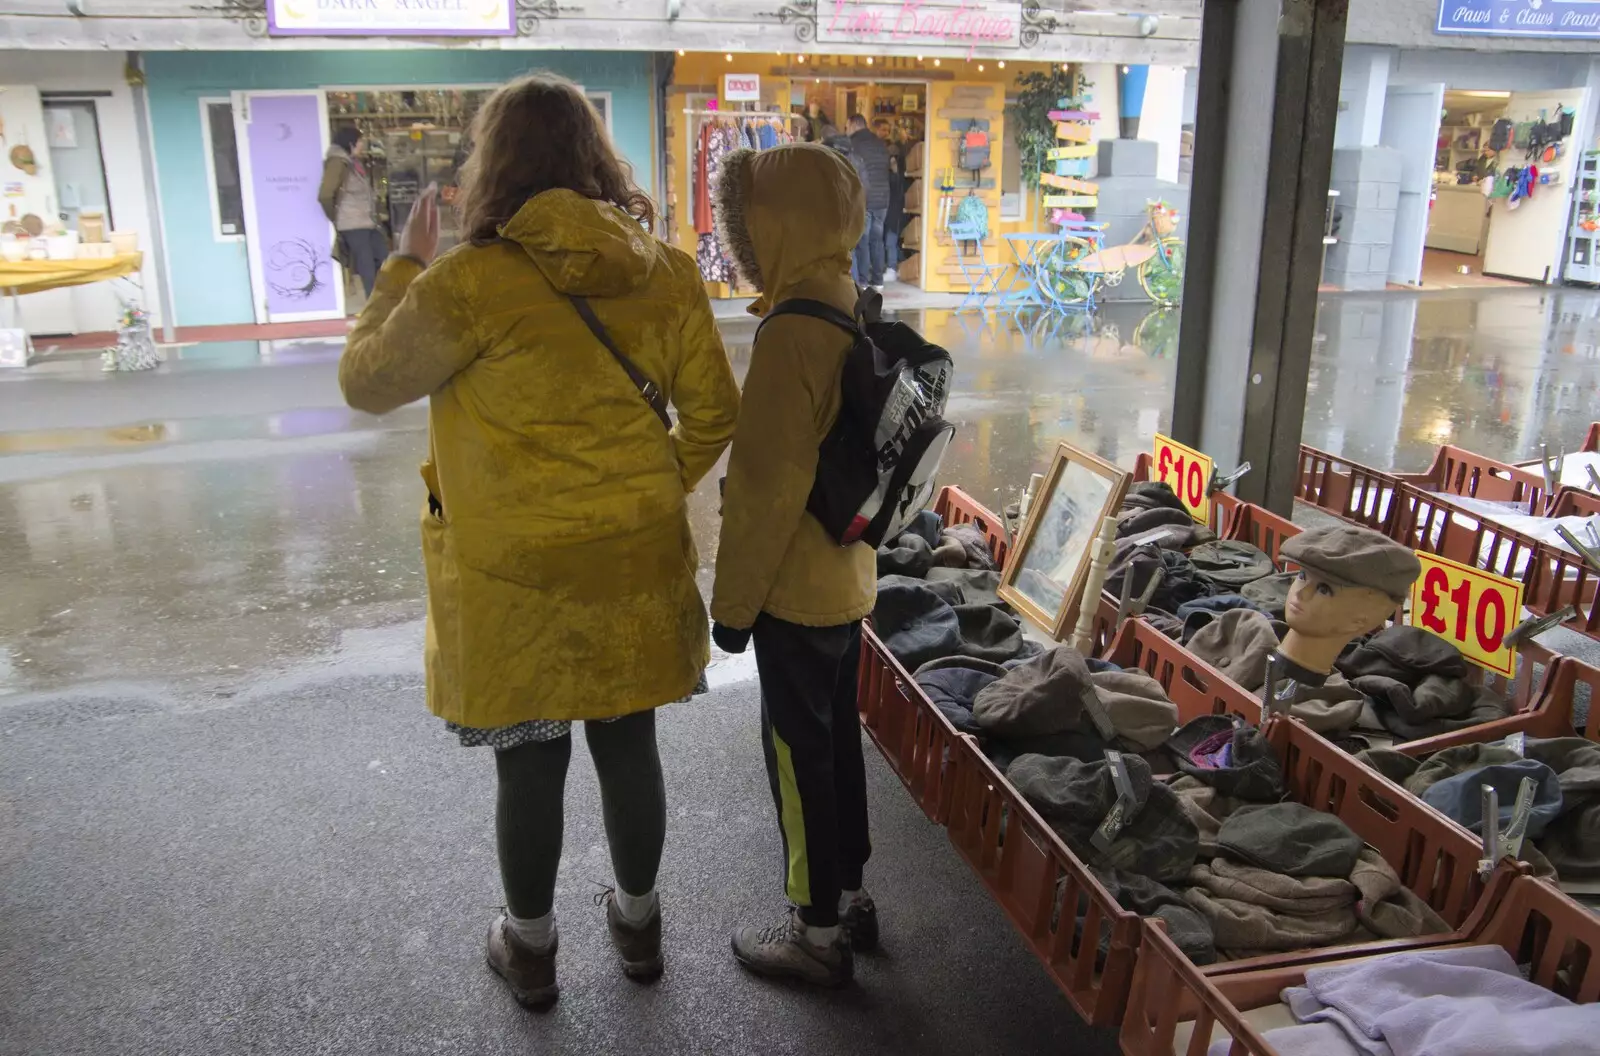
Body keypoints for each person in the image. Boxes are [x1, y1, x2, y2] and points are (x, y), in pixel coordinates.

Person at [337, 73, 740, 1011]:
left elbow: (366, 381)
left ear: (496, 165)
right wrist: (652, 489)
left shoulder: (467, 283)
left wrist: (399, 265)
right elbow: (717, 417)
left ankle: (531, 949)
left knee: (529, 756)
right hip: (633, 567)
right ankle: (638, 929)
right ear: (598, 158)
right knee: (628, 743)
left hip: (512, 580)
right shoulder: (665, 271)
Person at [709, 141, 879, 988]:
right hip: (847, 579)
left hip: (795, 592)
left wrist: (732, 609)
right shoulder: (848, 301)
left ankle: (816, 935)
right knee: (836, 743)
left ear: (774, 228)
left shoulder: (789, 334)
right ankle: (848, 894)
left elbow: (764, 490)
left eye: (746, 222)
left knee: (797, 755)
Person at [318, 126, 387, 300]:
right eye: (359, 141)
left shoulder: (353, 162)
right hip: (352, 224)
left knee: (383, 257)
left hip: (367, 221)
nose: (362, 144)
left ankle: (384, 299)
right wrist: (337, 217)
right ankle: (374, 304)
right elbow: (325, 195)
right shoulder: (337, 163)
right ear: (350, 143)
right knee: (366, 266)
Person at [847, 114, 891, 290]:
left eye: (846, 126)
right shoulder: (880, 143)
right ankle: (878, 280)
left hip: (864, 197)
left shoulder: (853, 144)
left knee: (862, 240)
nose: (846, 130)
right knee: (877, 239)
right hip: (883, 199)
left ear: (852, 125)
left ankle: (863, 281)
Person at [875, 119, 904, 282]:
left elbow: (895, 181)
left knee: (888, 239)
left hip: (891, 204)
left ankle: (892, 267)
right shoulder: (893, 164)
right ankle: (891, 267)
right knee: (887, 238)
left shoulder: (892, 162)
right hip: (890, 203)